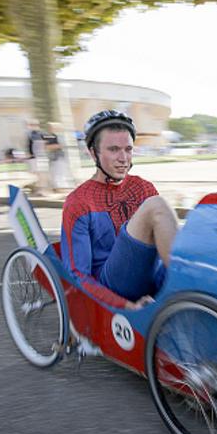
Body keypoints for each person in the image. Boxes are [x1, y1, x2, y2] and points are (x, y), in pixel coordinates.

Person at [60, 110, 178, 310]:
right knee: (157, 205)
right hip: (114, 286)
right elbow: (77, 274)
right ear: (93, 153)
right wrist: (125, 305)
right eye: (113, 149)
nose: (123, 158)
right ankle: (186, 286)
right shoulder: (77, 202)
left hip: (152, 275)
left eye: (128, 149)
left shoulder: (144, 187)